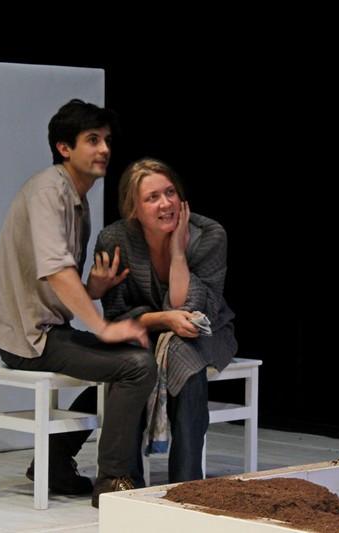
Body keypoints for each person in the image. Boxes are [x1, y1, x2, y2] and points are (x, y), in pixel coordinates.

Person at [0, 99, 155, 508]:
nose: (104, 149)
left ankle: (55, 462)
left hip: (50, 331)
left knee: (132, 357)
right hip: (32, 340)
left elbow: (54, 277)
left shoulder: (74, 196)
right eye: (92, 140)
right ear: (64, 148)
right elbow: (55, 272)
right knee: (137, 366)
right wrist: (102, 326)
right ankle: (113, 480)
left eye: (107, 140)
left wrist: (93, 288)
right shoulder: (50, 190)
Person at [94, 157, 238, 483]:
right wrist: (163, 319)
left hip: (205, 330)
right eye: (152, 197)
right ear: (133, 208)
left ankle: (186, 482)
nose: (166, 203)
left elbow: (195, 310)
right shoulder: (114, 240)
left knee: (183, 354)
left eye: (170, 192)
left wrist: (177, 253)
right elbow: (116, 315)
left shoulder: (209, 235)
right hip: (143, 332)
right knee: (131, 360)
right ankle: (125, 480)